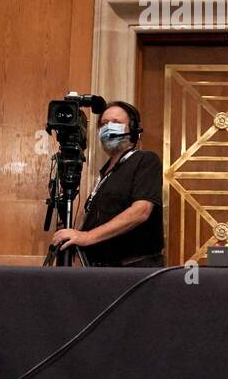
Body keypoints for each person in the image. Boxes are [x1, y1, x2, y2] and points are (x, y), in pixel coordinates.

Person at [50, 101, 165, 267]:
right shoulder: (105, 172)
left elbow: (141, 211)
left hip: (134, 269)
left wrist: (87, 237)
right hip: (101, 269)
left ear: (132, 129)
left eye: (117, 123)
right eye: (104, 123)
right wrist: (75, 234)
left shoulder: (145, 160)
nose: (109, 127)